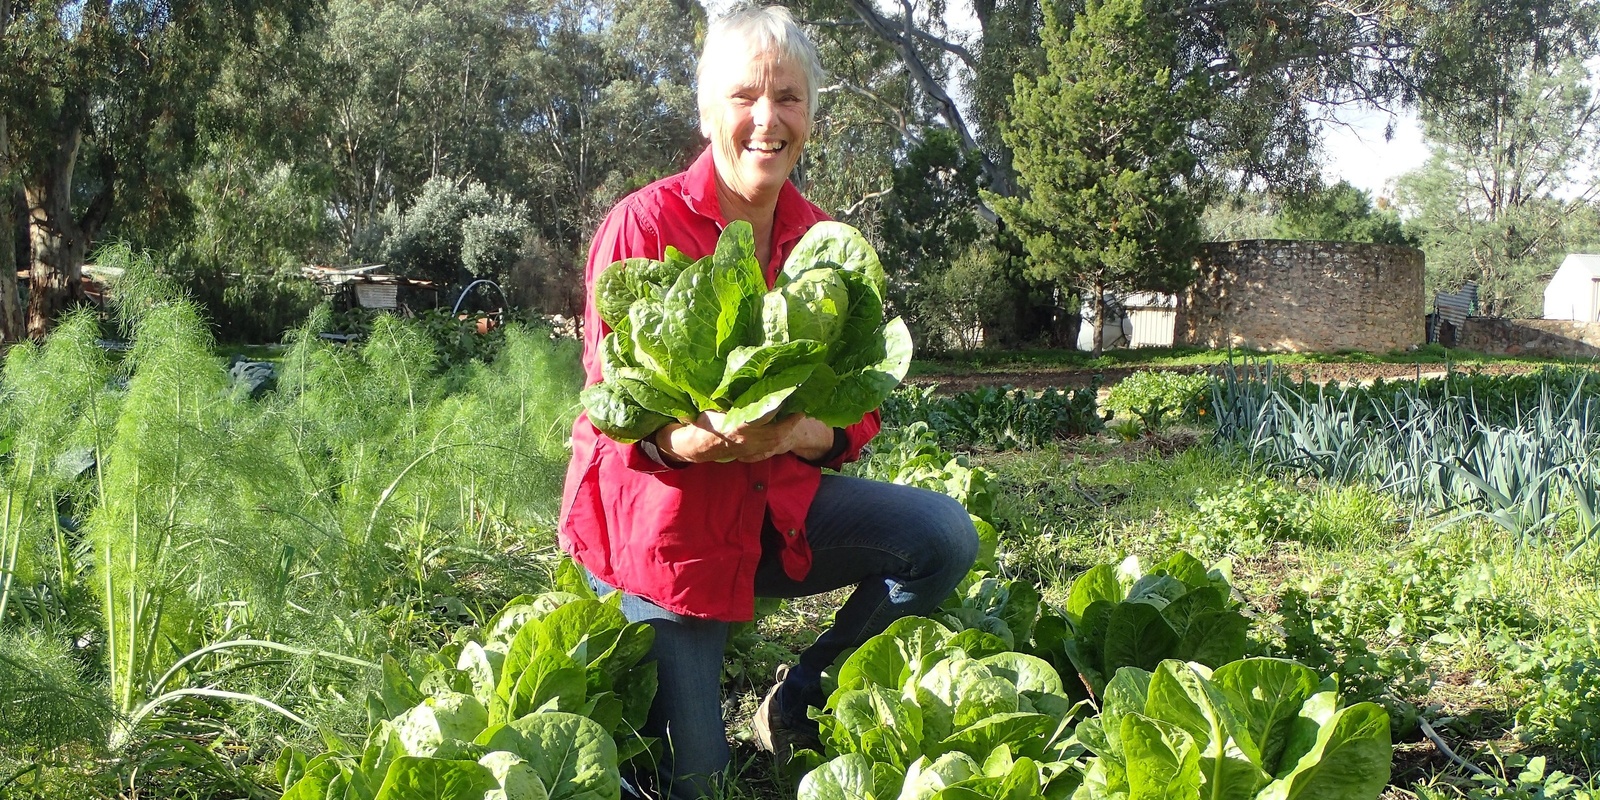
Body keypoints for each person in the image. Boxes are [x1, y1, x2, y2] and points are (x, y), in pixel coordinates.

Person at [558, 7, 978, 798]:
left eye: (788, 97)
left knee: (943, 536)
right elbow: (612, 399)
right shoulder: (644, 224)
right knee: (700, 787)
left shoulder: (822, 244)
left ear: (810, 116)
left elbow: (864, 391)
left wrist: (813, 431)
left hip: (768, 502)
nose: (767, 118)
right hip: (663, 531)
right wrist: (690, 440)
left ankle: (801, 699)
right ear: (708, 109)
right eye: (745, 94)